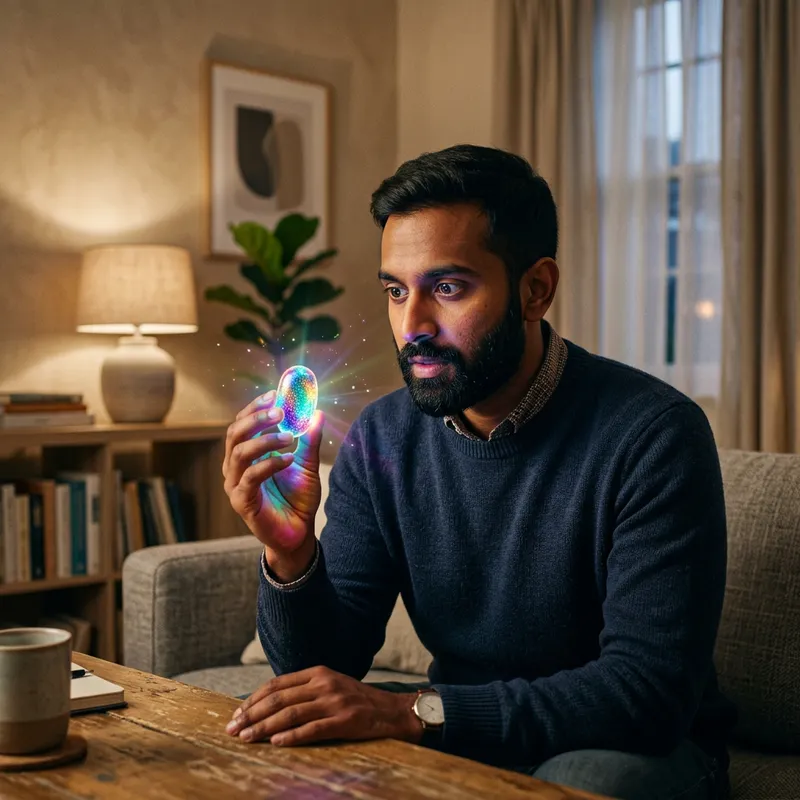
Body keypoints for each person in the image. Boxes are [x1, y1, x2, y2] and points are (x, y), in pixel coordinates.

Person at [222, 145, 736, 799]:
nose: (412, 326)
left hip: (634, 750)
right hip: (466, 734)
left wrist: (410, 712)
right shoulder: (383, 437)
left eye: (447, 287)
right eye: (395, 290)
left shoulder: (655, 435)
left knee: (580, 780)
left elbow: (647, 695)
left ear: (536, 289)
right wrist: (291, 554)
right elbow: (320, 678)